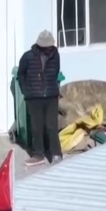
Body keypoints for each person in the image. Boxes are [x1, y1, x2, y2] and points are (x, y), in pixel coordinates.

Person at [16, 30, 62, 166]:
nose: (48, 49)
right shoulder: (27, 57)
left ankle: (56, 153)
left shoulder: (55, 55)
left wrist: (51, 88)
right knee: (37, 127)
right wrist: (26, 91)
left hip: (51, 96)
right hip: (34, 97)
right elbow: (20, 74)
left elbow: (55, 72)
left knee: (52, 126)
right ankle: (38, 154)